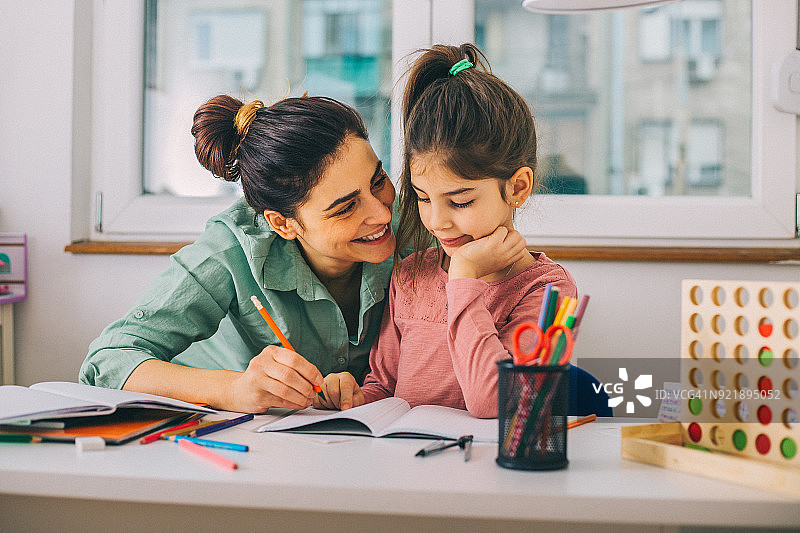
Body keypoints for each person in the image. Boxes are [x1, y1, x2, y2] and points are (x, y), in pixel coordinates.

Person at [79, 94, 397, 414]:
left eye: (378, 180)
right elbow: (106, 362)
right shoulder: (231, 248)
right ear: (282, 224)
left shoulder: (419, 224)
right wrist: (235, 389)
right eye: (346, 208)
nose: (383, 214)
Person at [316, 43, 577, 418]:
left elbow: (496, 402)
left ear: (517, 187)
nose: (437, 222)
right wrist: (350, 397)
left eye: (460, 202)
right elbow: (383, 386)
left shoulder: (547, 290)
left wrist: (464, 279)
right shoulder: (410, 275)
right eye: (423, 198)